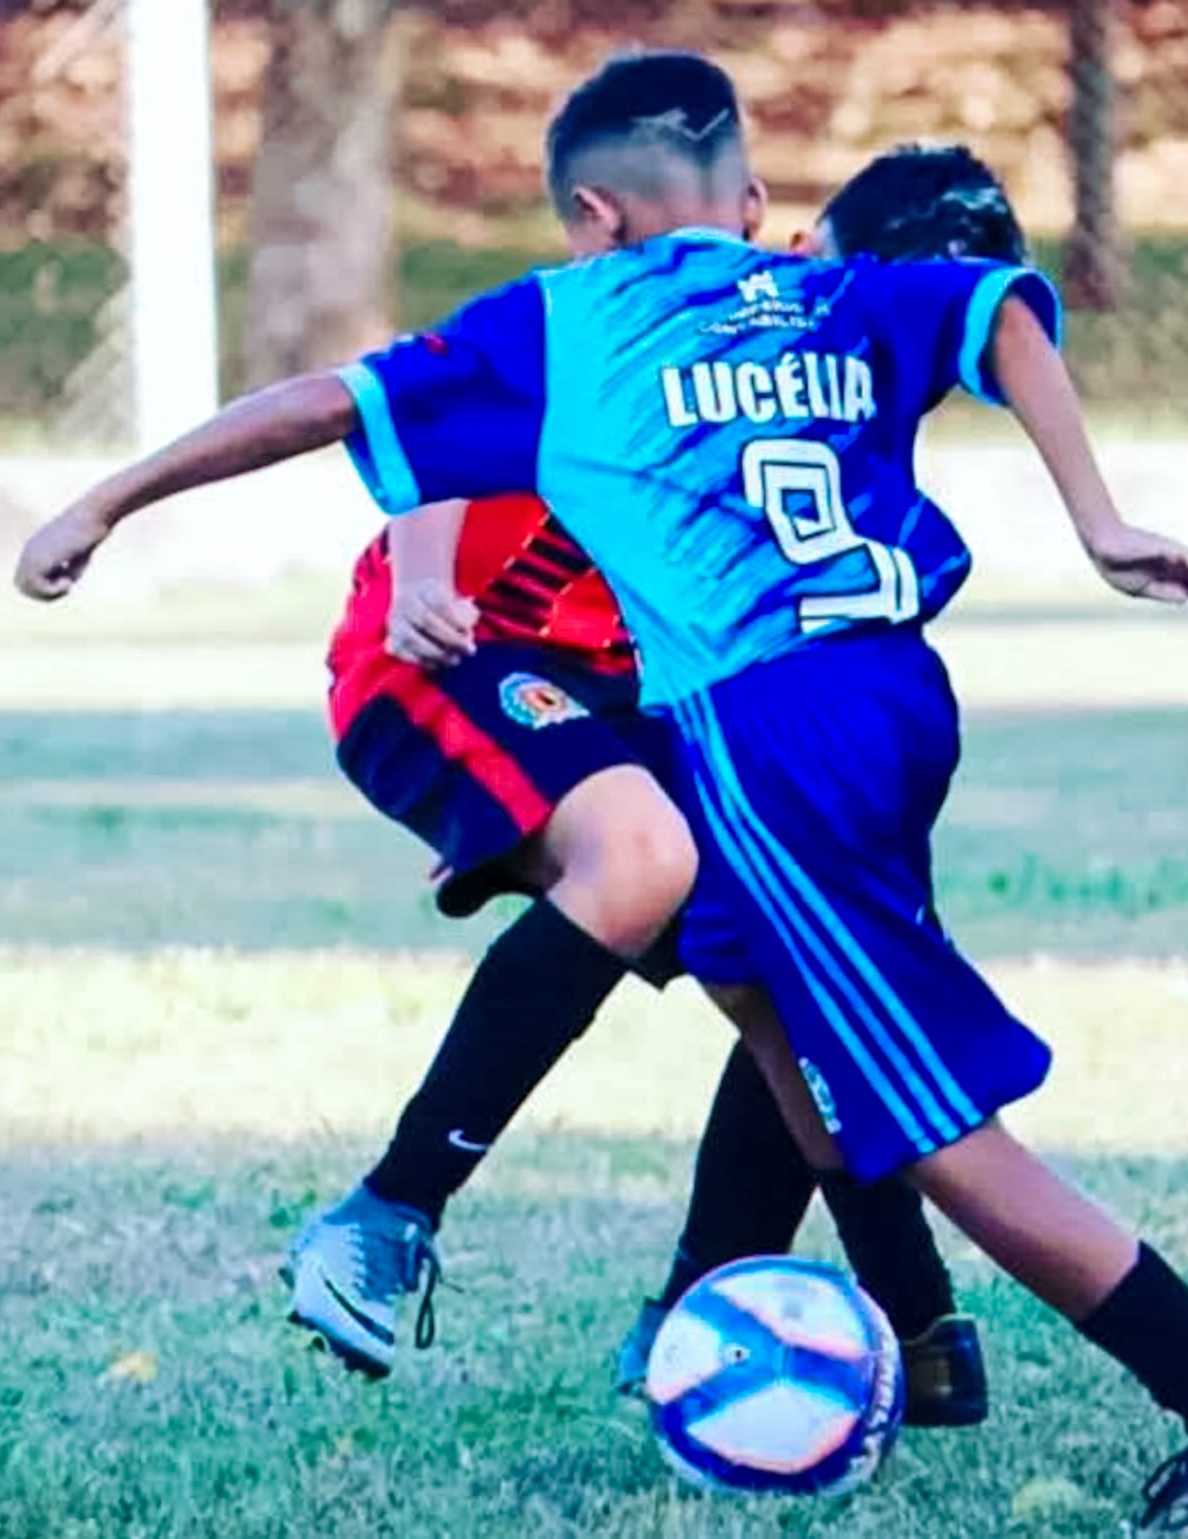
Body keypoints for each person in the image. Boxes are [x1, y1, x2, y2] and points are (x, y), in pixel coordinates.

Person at [13, 52, 1188, 1538]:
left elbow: (322, 405)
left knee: (932, 1127)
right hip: (896, 702)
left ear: (592, 213)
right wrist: (1098, 521)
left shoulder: (575, 318)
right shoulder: (834, 294)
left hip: (765, 727)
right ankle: (853, 1324)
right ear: (756, 200)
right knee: (759, 981)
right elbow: (998, 307)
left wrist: (102, 499)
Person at [286, 147, 1030, 1425]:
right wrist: (423, 580)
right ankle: (387, 1212)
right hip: (459, 647)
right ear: (795, 245)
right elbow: (429, 397)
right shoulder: (665, 319)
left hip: (617, 708)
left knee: (797, 955)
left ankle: (775, 1313)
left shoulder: (838, 398)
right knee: (637, 862)